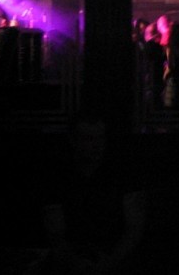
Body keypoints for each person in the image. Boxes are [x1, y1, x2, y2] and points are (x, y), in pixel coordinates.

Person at [36, 112, 147, 275]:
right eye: (89, 139)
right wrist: (74, 261)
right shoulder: (57, 176)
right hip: (73, 257)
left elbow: (135, 228)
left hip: (115, 255)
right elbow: (55, 234)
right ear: (73, 140)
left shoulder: (123, 172)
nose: (97, 145)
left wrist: (111, 261)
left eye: (100, 138)